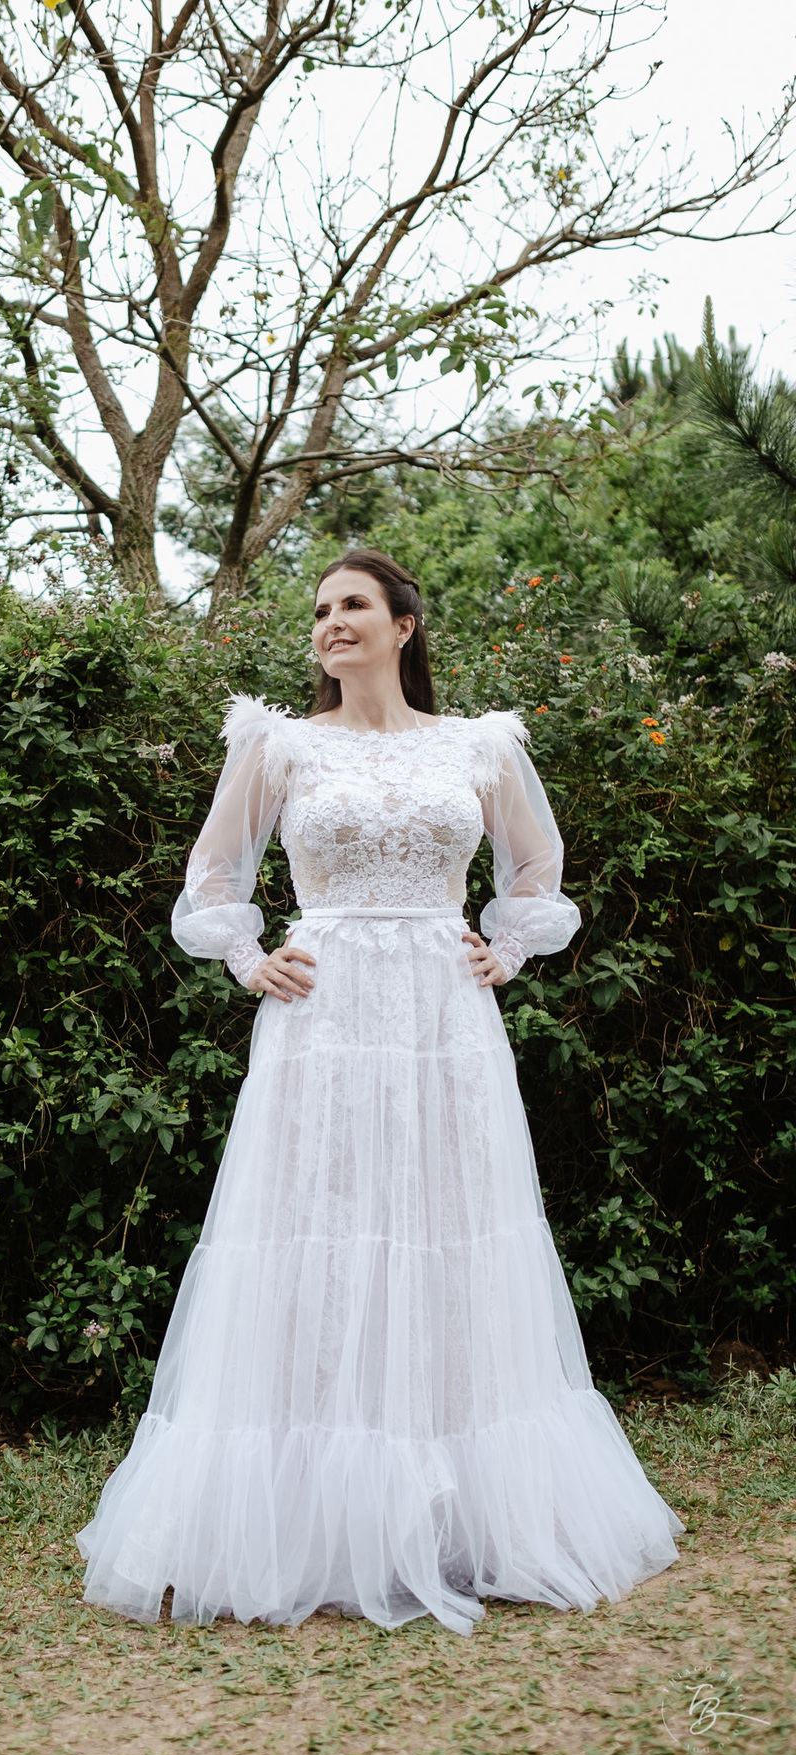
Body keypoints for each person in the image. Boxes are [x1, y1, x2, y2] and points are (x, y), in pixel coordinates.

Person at [77, 549, 682, 1635]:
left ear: (405, 625)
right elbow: (209, 880)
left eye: (352, 604)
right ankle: (313, 1522)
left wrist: (510, 948)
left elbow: (536, 873)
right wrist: (246, 957)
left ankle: (461, 1515)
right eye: (319, 610)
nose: (330, 622)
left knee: (449, 1234)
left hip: (445, 1024)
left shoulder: (480, 748)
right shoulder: (279, 745)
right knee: (320, 1235)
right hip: (325, 1019)